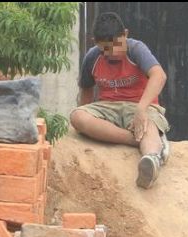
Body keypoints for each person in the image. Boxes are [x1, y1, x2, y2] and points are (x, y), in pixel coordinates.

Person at [70, 12, 170, 189]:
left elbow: (159, 75)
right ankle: (138, 140)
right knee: (77, 116)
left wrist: (141, 109)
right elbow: (86, 90)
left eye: (117, 45)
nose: (113, 53)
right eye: (106, 49)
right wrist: (83, 125)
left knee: (148, 125)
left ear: (125, 34)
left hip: (141, 106)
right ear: (95, 43)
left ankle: (151, 159)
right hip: (107, 107)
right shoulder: (92, 57)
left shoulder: (136, 49)